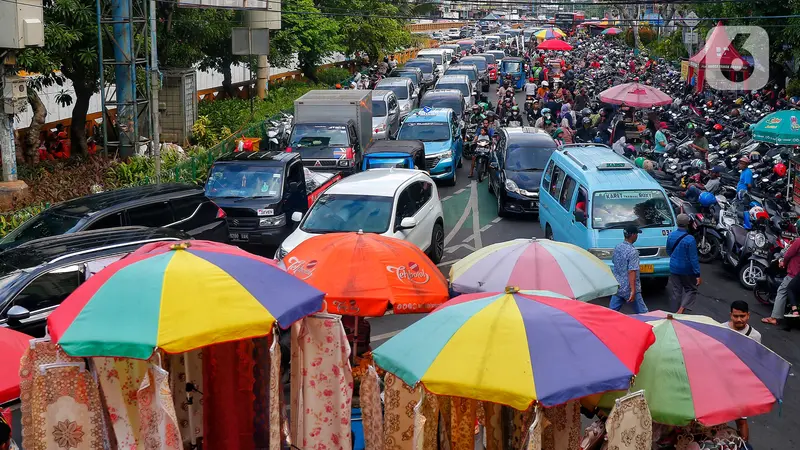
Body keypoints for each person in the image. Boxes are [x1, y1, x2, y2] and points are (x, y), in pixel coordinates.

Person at [724, 300, 761, 445]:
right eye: (736, 316)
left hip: (741, 384)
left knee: (741, 420)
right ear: (731, 315)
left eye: (742, 316)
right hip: (722, 380)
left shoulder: (755, 336)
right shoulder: (720, 329)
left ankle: (744, 446)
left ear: (748, 316)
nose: (739, 319)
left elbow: (755, 360)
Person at [764, 226, 800, 325]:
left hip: (794, 273)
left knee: (782, 291)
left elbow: (788, 254)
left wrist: (783, 262)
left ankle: (775, 317)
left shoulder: (798, 241)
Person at [609, 225, 649, 314]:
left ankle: (601, 325)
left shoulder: (618, 247)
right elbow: (632, 271)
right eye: (637, 234)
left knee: (611, 313)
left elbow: (614, 261)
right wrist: (633, 290)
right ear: (633, 235)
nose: (637, 236)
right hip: (628, 288)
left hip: (618, 286)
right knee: (645, 314)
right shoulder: (633, 251)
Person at [667, 214, 702, 314]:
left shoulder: (671, 235)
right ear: (687, 224)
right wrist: (697, 274)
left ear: (677, 223)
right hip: (686, 269)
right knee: (691, 289)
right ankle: (681, 310)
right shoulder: (690, 239)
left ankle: (673, 313)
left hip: (673, 268)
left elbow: (669, 250)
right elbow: (693, 258)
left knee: (676, 291)